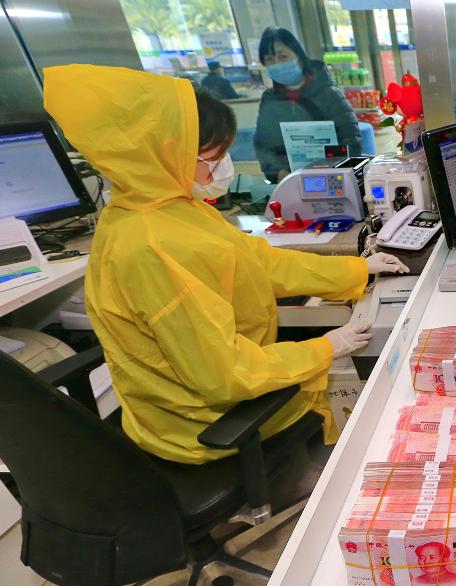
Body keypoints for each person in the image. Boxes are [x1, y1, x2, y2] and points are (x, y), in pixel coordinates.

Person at [43, 64, 408, 464]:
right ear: (162, 154)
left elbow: (256, 260)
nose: (223, 167)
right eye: (211, 158)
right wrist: (324, 347)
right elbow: (226, 374)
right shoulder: (153, 247)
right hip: (202, 423)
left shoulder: (166, 207)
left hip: (211, 384)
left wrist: (358, 270)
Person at [254, 27, 361, 183]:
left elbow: (351, 139)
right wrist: (278, 172)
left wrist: (333, 167)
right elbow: (263, 145)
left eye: (282, 57)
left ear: (299, 56)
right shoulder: (269, 99)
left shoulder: (329, 94)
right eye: (269, 59)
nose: (276, 63)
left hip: (331, 180)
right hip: (289, 181)